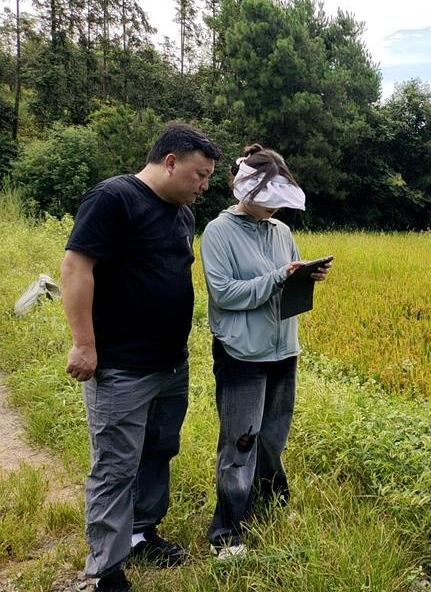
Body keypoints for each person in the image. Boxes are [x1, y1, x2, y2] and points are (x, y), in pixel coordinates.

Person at [60, 123, 222, 592]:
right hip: (121, 367)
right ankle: (106, 571)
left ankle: (141, 531)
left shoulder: (182, 214)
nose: (204, 186)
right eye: (199, 174)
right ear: (170, 162)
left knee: (159, 450)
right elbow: (76, 267)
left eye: (209, 177)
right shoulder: (114, 198)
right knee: (115, 466)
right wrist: (84, 343)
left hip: (170, 364)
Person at [200, 144, 330, 559]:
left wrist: (305, 274)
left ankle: (271, 504)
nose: (275, 211)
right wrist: (277, 277)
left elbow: (285, 281)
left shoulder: (282, 232)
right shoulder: (219, 231)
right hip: (242, 353)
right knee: (240, 441)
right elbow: (224, 294)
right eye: (269, 202)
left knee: (273, 437)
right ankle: (227, 532)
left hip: (283, 349)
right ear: (247, 192)